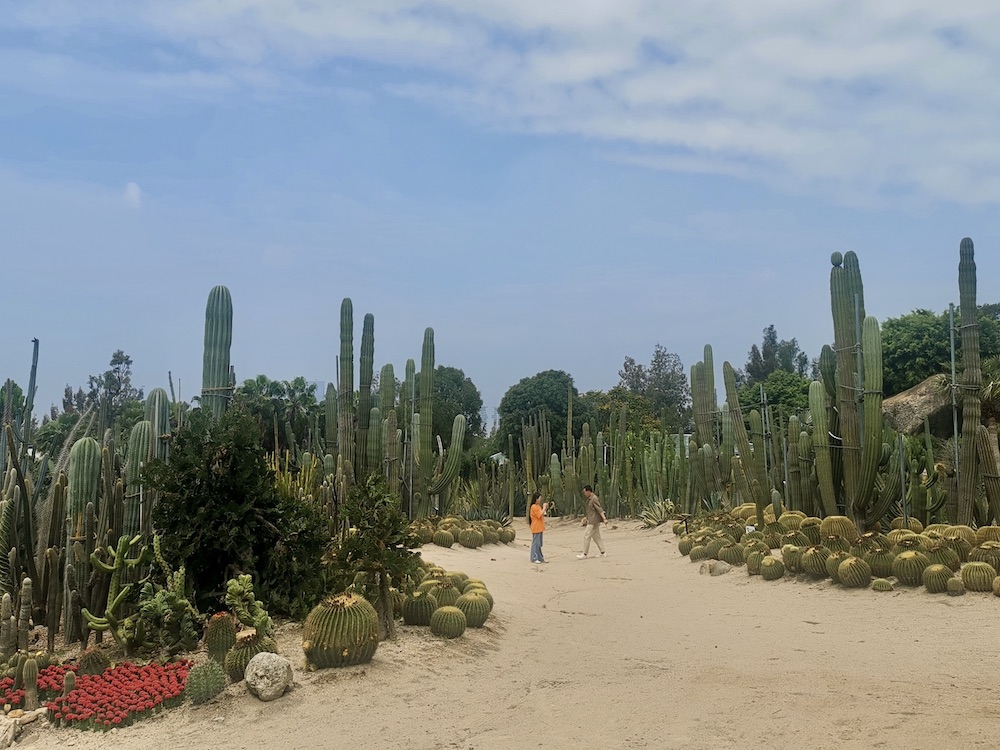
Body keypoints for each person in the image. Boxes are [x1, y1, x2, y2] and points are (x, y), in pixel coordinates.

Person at [577, 485, 608, 559]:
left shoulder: (594, 499)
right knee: (596, 537)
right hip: (592, 520)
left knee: (587, 536)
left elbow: (599, 509)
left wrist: (604, 518)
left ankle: (584, 554)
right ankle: (603, 552)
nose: (584, 494)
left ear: (588, 491)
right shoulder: (590, 499)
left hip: (593, 521)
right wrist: (586, 518)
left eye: (585, 492)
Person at [529, 492, 548, 563]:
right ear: (536, 499)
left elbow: (543, 513)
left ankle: (540, 557)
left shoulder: (538, 506)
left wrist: (544, 509)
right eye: (539, 498)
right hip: (536, 527)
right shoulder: (533, 506)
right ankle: (534, 557)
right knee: (535, 543)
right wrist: (544, 508)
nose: (540, 500)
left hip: (540, 527)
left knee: (539, 543)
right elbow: (539, 515)